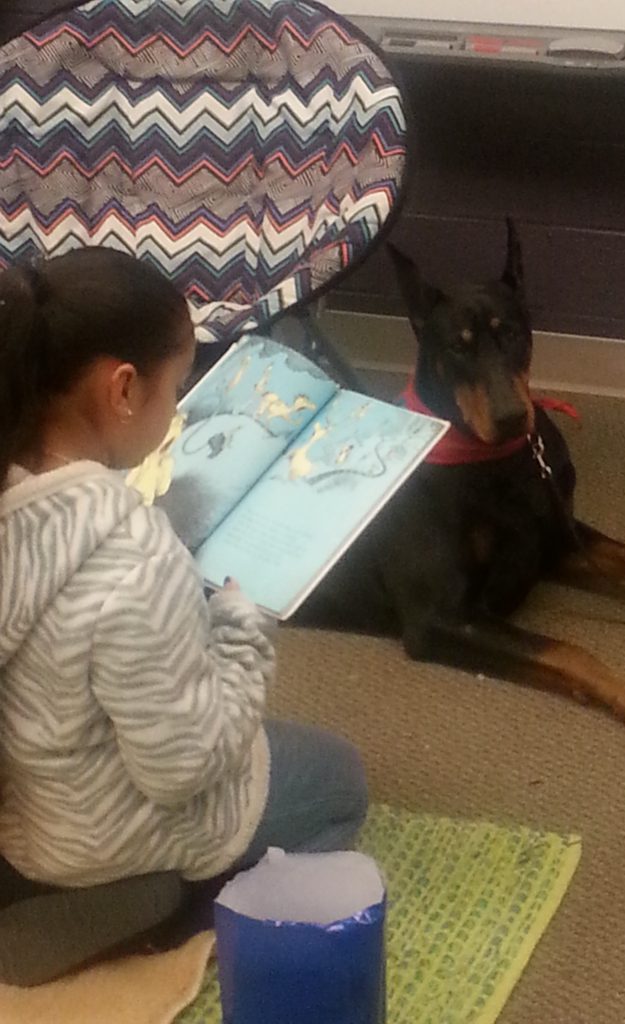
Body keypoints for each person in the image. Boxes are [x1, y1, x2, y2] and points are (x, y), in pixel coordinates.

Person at [0, 247, 367, 890]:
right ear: (122, 389)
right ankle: (164, 908)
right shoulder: (134, 558)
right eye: (174, 389)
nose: (177, 411)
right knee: (340, 780)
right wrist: (239, 634)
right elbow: (184, 767)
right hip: (108, 837)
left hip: (31, 816)